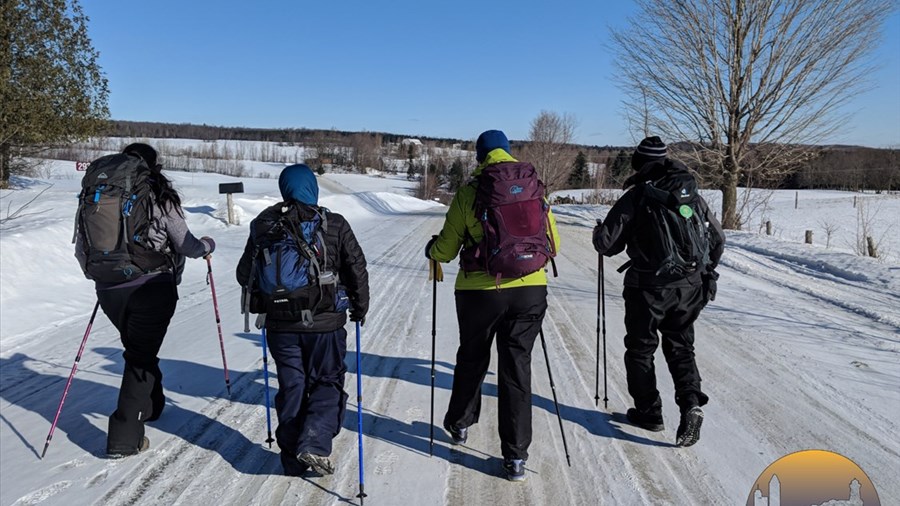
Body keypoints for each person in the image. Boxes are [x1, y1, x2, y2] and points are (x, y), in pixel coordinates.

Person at [425, 130, 560, 481]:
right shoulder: (534, 186)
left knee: (473, 356)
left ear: (480, 157)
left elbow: (447, 248)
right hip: (530, 290)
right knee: (517, 367)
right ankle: (515, 457)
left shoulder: (471, 192)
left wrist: (432, 251)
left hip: (479, 292)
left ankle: (460, 423)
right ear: (508, 152)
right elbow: (553, 242)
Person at [75, 142, 216, 457]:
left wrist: (108, 273)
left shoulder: (97, 194)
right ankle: (124, 437)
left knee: (140, 348)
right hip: (151, 286)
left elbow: (81, 249)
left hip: (108, 288)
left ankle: (152, 406)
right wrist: (206, 245)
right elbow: (185, 244)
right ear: (153, 165)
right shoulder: (159, 195)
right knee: (139, 357)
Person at [236, 164, 369, 477]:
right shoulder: (333, 224)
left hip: (279, 325)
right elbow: (356, 268)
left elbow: (245, 274)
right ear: (312, 187)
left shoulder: (263, 225)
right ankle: (315, 441)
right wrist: (359, 307)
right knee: (328, 380)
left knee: (292, 385)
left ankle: (291, 460)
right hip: (325, 324)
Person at [592, 136, 724, 447]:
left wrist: (599, 232)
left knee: (641, 349)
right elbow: (718, 238)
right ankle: (691, 402)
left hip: (648, 289)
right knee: (680, 346)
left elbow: (607, 245)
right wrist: (704, 271)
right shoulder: (690, 193)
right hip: (691, 287)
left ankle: (649, 412)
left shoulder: (638, 195)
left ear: (640, 163)